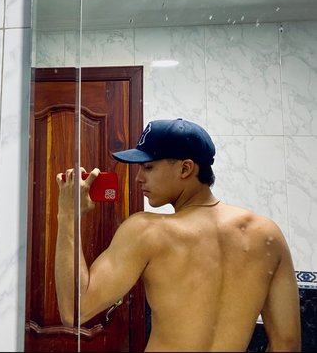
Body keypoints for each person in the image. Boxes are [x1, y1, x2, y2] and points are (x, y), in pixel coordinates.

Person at [55, 118, 301, 352]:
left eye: (148, 167)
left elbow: (75, 311)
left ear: (185, 168)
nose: (139, 178)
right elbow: (287, 345)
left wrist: (67, 215)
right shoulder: (268, 235)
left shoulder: (147, 231)